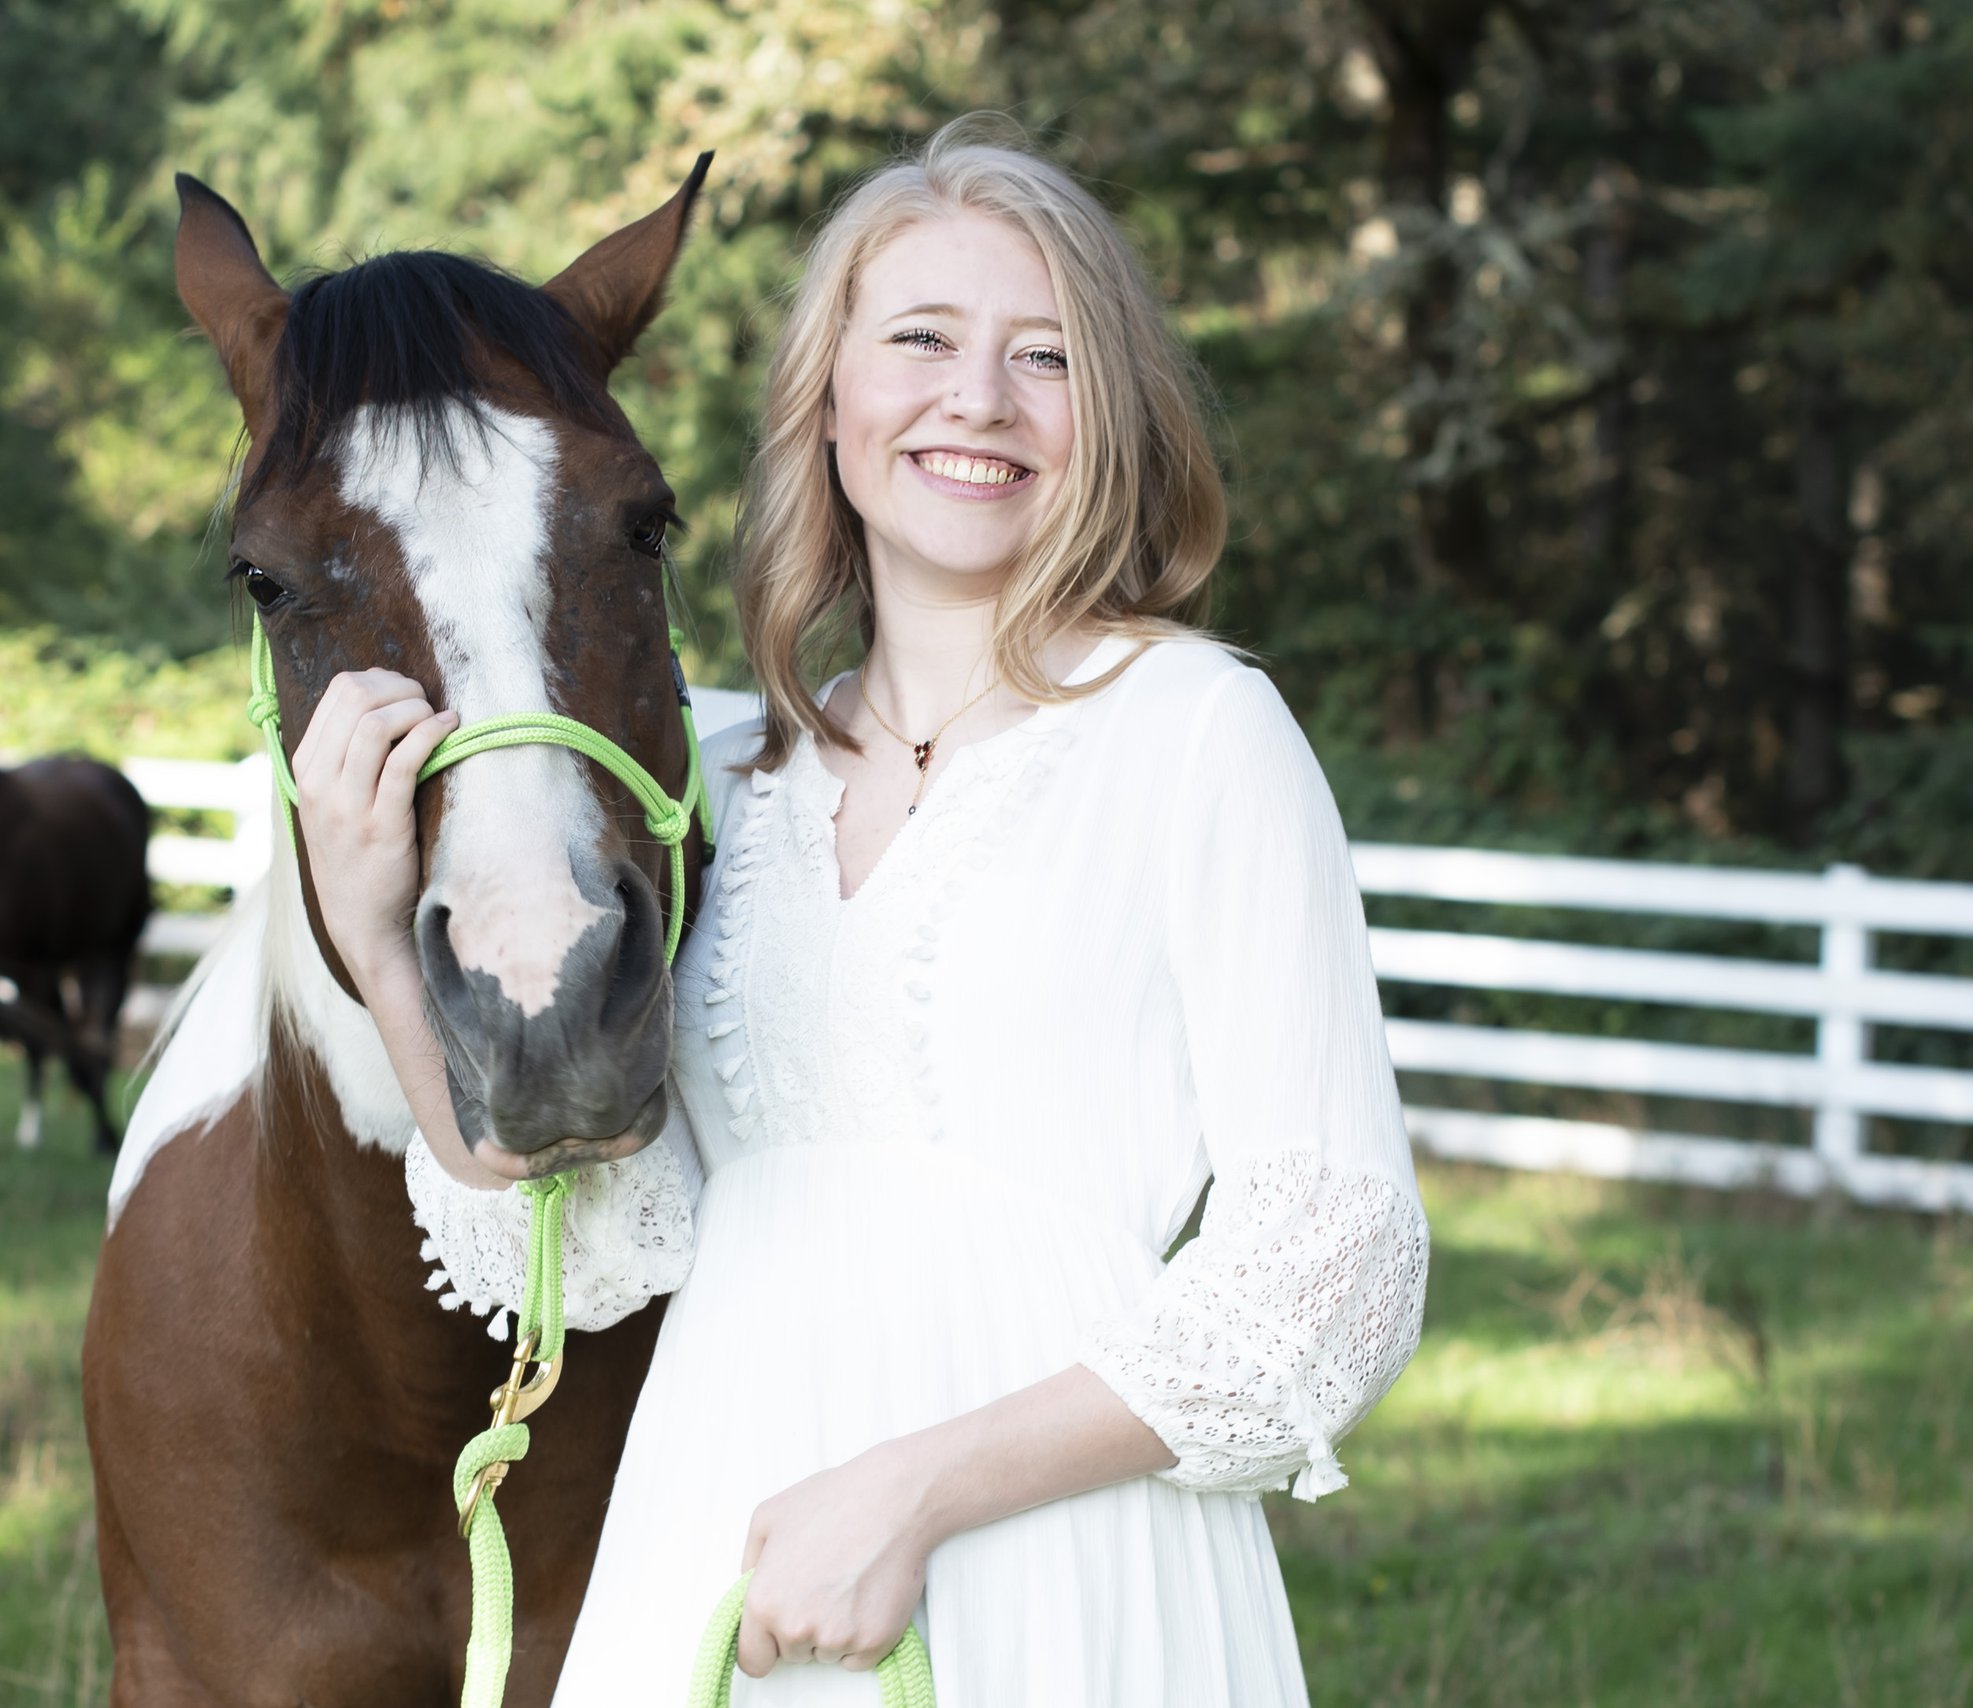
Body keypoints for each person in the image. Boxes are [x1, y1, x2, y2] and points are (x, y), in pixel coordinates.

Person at [297, 117, 1429, 1705]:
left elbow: (1334, 1272)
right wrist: (375, 942)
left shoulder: (1197, 732)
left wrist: (913, 1494)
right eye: (921, 341)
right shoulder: (743, 776)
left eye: (1046, 356)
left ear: (1110, 414)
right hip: (722, 1533)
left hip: (1054, 1566)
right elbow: (608, 1230)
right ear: (828, 398)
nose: (979, 400)